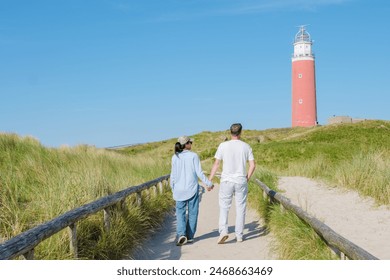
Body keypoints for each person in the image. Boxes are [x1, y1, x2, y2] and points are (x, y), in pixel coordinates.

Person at [208, 123, 256, 244]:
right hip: (241, 180)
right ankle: (239, 236)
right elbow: (252, 165)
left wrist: (210, 180)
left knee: (224, 207)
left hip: (226, 180)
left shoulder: (223, 146)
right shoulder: (246, 146)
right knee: (241, 208)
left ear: (230, 132)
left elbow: (216, 164)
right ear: (240, 132)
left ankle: (223, 231)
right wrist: (247, 178)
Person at [170, 136, 214, 246]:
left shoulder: (175, 157)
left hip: (179, 190)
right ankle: (189, 236)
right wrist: (209, 183)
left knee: (180, 214)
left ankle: (181, 235)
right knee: (193, 213)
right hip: (191, 189)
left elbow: (173, 175)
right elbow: (199, 173)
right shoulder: (194, 156)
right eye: (190, 142)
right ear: (186, 144)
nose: (191, 144)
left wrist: (173, 188)